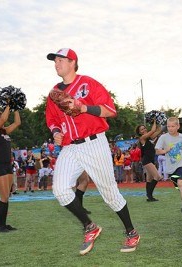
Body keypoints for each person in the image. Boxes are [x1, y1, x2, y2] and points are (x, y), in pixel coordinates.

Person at [45, 48, 139, 255]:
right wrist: (56, 132)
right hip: (70, 147)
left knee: (109, 194)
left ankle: (131, 233)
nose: (57, 63)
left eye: (61, 60)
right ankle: (90, 227)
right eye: (55, 60)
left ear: (73, 62)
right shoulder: (54, 92)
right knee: (60, 190)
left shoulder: (88, 83)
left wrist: (84, 107)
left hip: (94, 143)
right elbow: (52, 120)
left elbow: (110, 110)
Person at [155, 117, 182, 217]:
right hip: (170, 167)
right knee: (180, 186)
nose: (170, 128)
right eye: (168, 126)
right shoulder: (163, 137)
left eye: (173, 126)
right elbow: (157, 151)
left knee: (181, 182)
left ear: (178, 126)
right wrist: (165, 150)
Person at [135, 119, 162, 202]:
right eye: (142, 129)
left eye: (144, 128)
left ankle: (149, 196)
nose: (144, 129)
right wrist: (154, 121)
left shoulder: (149, 137)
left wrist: (158, 121)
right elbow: (153, 130)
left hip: (150, 160)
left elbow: (158, 130)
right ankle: (150, 196)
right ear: (140, 132)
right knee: (157, 177)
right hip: (147, 161)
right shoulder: (142, 138)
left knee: (149, 179)